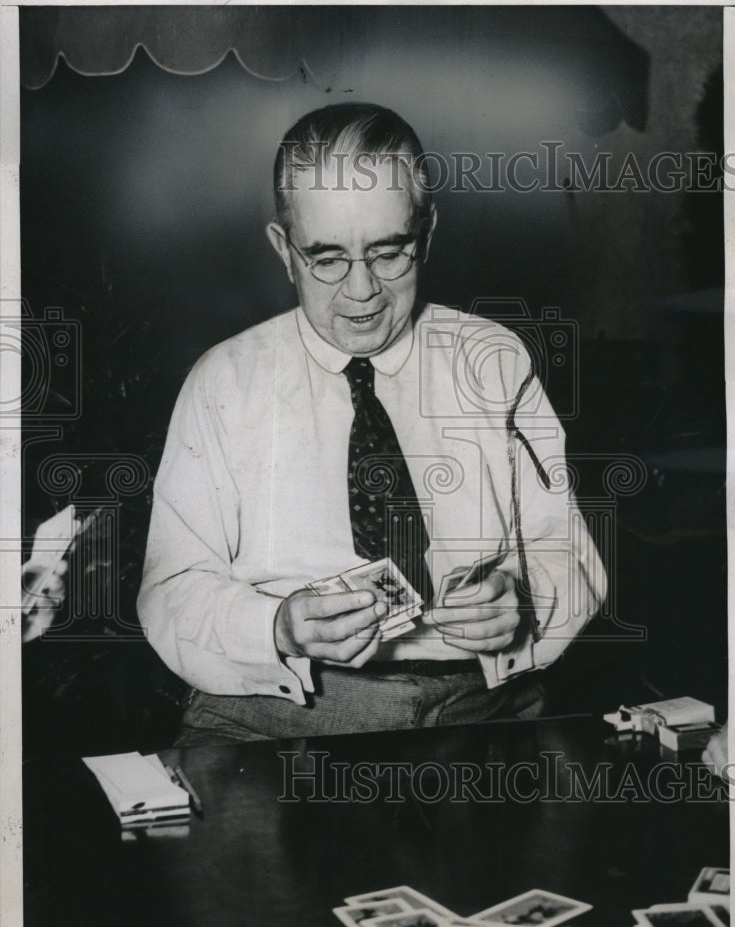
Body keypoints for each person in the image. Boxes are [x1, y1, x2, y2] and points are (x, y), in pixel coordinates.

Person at [137, 102, 607, 745]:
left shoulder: (493, 363)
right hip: (274, 712)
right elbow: (171, 590)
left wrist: (524, 601)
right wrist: (275, 627)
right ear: (284, 249)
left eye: (389, 254)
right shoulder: (225, 383)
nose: (362, 292)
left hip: (481, 701)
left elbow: (569, 550)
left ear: (427, 233)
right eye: (326, 259)